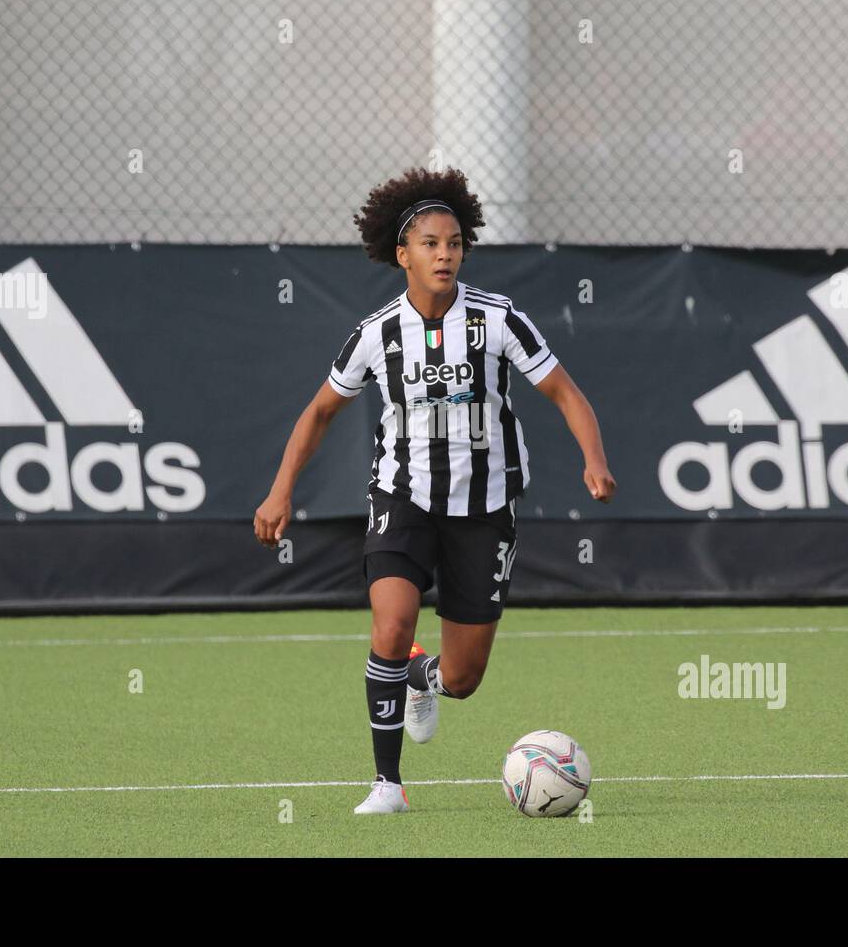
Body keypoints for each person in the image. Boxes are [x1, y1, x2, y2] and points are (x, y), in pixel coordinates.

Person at [253, 167, 616, 814]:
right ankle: (387, 785)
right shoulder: (376, 334)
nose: (444, 254)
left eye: (453, 243)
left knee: (463, 678)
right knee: (390, 624)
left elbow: (564, 391)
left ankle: (422, 678)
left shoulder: (499, 320)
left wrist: (594, 458)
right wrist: (280, 492)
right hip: (403, 498)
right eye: (429, 243)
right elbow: (318, 414)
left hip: (485, 510)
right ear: (403, 254)